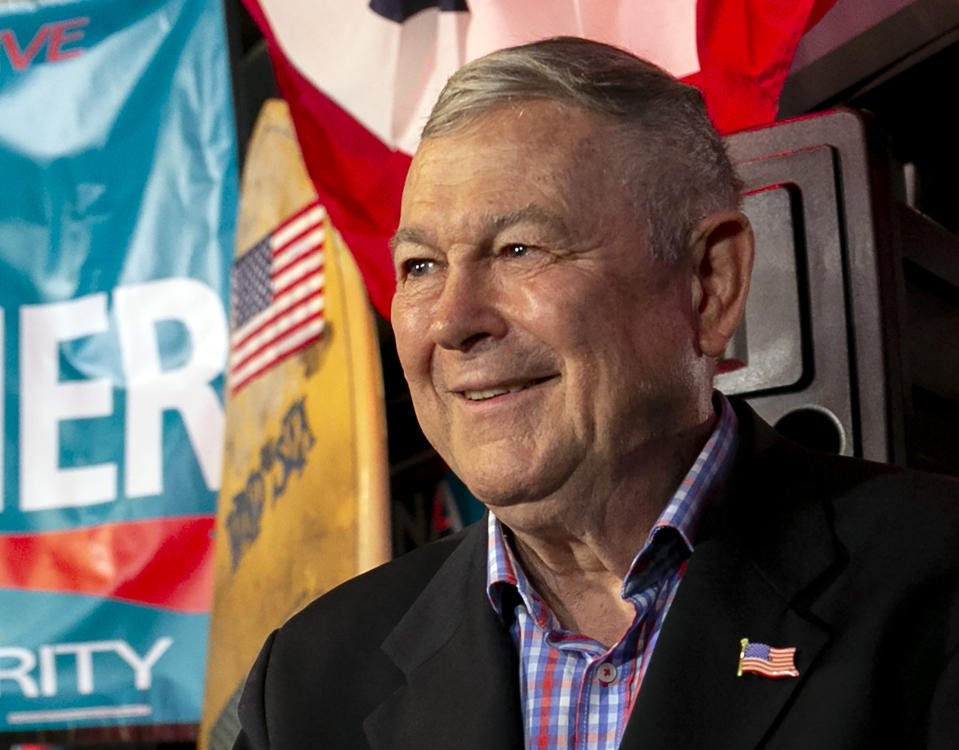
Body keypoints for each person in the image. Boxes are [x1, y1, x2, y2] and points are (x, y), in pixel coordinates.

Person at [232, 37, 959, 749]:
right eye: (420, 266)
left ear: (710, 283)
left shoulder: (934, 584)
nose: (452, 322)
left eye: (519, 250)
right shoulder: (308, 680)